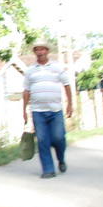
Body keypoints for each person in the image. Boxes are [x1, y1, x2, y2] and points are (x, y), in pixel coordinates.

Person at [22, 39, 73, 179]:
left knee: (58, 137)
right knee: (43, 141)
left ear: (47, 51)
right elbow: (26, 91)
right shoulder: (30, 71)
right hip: (38, 111)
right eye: (37, 50)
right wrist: (24, 111)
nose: (40, 52)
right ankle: (48, 169)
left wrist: (70, 104)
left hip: (55, 110)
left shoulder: (57, 67)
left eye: (42, 49)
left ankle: (61, 159)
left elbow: (67, 84)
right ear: (34, 52)